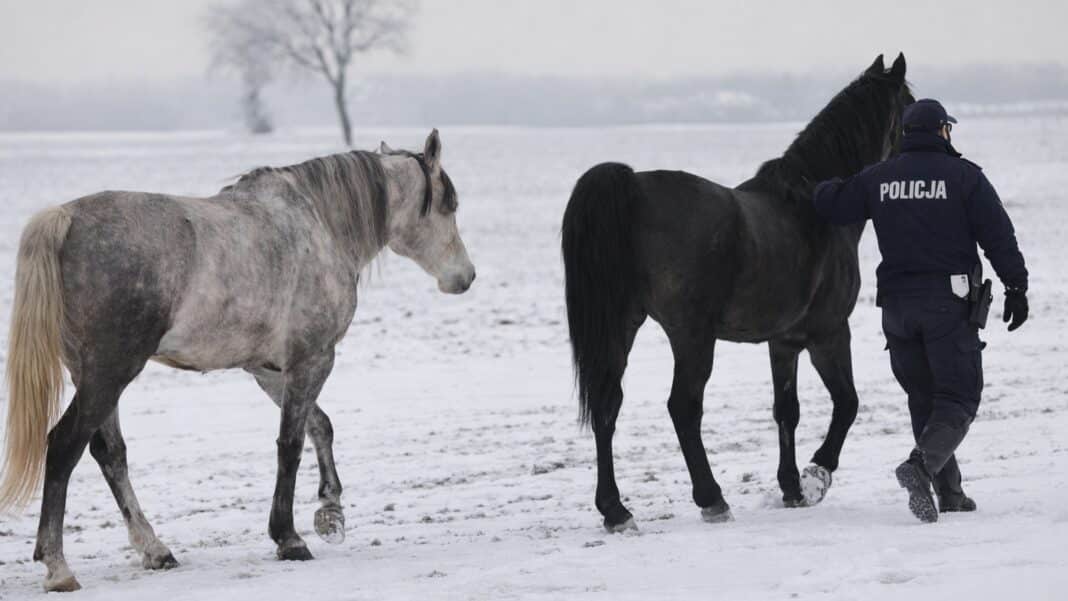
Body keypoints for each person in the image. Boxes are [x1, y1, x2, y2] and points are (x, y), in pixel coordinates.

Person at [810, 98, 1029, 523]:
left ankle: (950, 494)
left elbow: (832, 204)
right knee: (959, 397)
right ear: (943, 131)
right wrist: (1016, 286)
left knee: (924, 399)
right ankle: (920, 466)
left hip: (895, 310)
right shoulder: (965, 177)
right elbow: (999, 237)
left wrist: (814, 183)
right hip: (947, 307)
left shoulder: (879, 177)